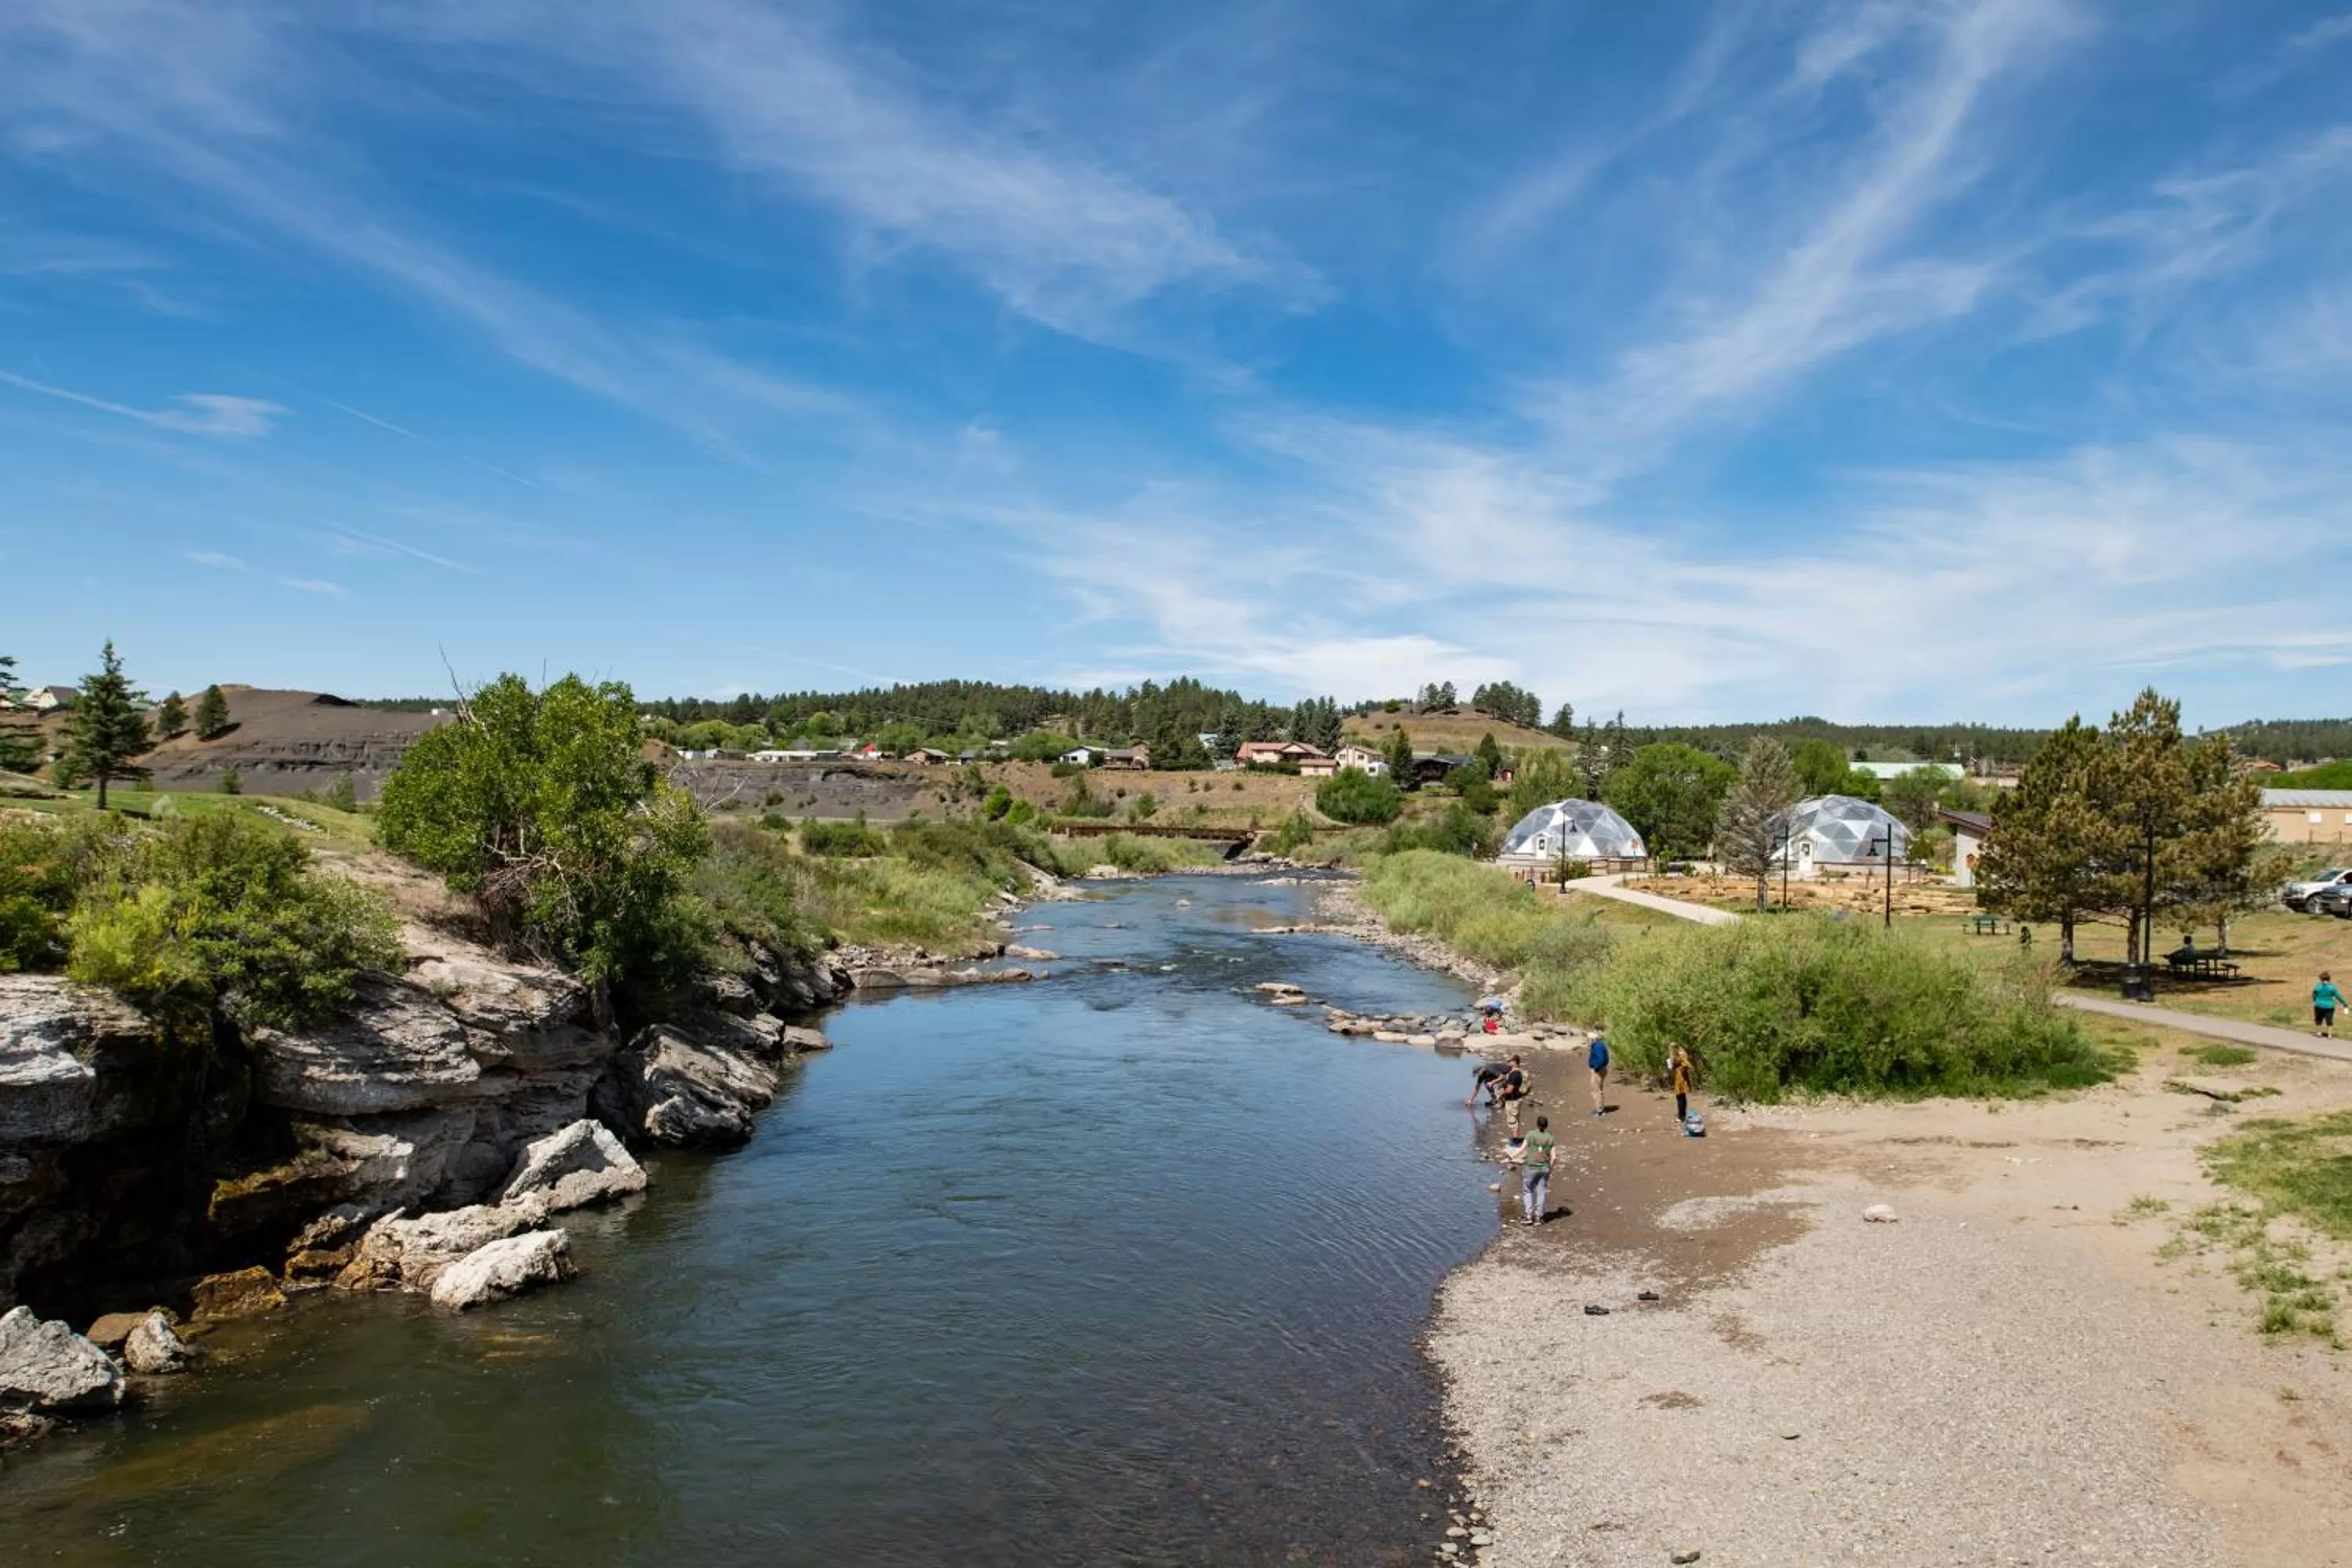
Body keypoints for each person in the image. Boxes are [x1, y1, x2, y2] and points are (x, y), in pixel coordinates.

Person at [1520, 1116, 1555, 1226]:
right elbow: (1554, 1157)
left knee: (1528, 1190)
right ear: (1546, 1125)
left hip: (1531, 1167)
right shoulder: (1550, 1138)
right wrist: (1550, 1169)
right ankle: (1539, 1217)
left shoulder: (1530, 1134)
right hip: (1544, 1168)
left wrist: (1511, 1157)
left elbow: (1522, 1149)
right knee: (1541, 1192)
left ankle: (1529, 1216)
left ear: (1537, 1124)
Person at [1497, 1054, 1530, 1138]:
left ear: (1515, 1062)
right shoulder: (1519, 1072)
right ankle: (1516, 1140)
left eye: (1509, 1061)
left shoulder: (1514, 1074)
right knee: (1515, 1121)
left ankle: (1515, 1141)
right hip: (1517, 1099)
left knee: (1513, 1122)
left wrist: (1501, 1094)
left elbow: (1510, 1089)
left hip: (1512, 1101)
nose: (1508, 1062)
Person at [1587, 1032, 1610, 1118]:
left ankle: (1600, 1111)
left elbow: (1601, 1059)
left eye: (1588, 1040)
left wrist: (1596, 1068)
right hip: (1601, 1069)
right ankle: (1600, 1109)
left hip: (1599, 1070)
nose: (1588, 1041)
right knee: (1598, 1090)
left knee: (1597, 1090)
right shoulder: (1599, 1045)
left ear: (1593, 1039)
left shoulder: (1598, 1047)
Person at [1669, 1044, 1693, 1126]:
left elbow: (1687, 1065)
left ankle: (1681, 1116)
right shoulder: (1678, 1055)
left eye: (1672, 1048)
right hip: (1678, 1078)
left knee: (1680, 1097)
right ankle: (1682, 1115)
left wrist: (1678, 1065)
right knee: (1681, 1097)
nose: (1671, 1050)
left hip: (1681, 1079)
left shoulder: (1681, 1055)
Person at [2317, 971, 2345, 1040]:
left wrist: (2315, 1001)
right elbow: (2339, 996)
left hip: (2319, 1005)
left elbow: (2314, 995)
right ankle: (2329, 1034)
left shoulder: (2318, 987)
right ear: (2329, 979)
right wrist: (2345, 1004)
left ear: (2321, 979)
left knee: (2319, 1019)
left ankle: (2319, 1032)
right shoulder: (2332, 988)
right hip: (2329, 1006)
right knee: (2329, 1020)